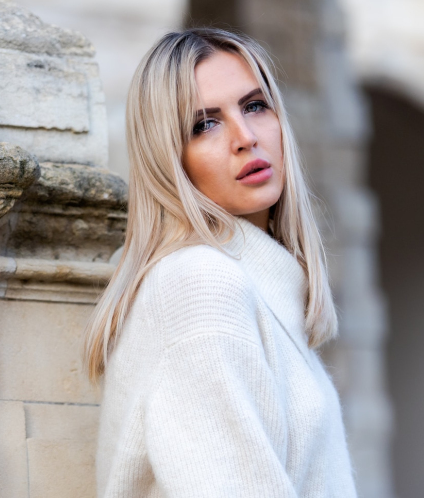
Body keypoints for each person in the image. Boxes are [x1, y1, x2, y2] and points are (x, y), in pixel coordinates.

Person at [84, 28, 358, 497]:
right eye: (204, 124)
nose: (245, 138)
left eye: (254, 106)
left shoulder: (261, 287)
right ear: (169, 161)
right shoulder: (200, 284)